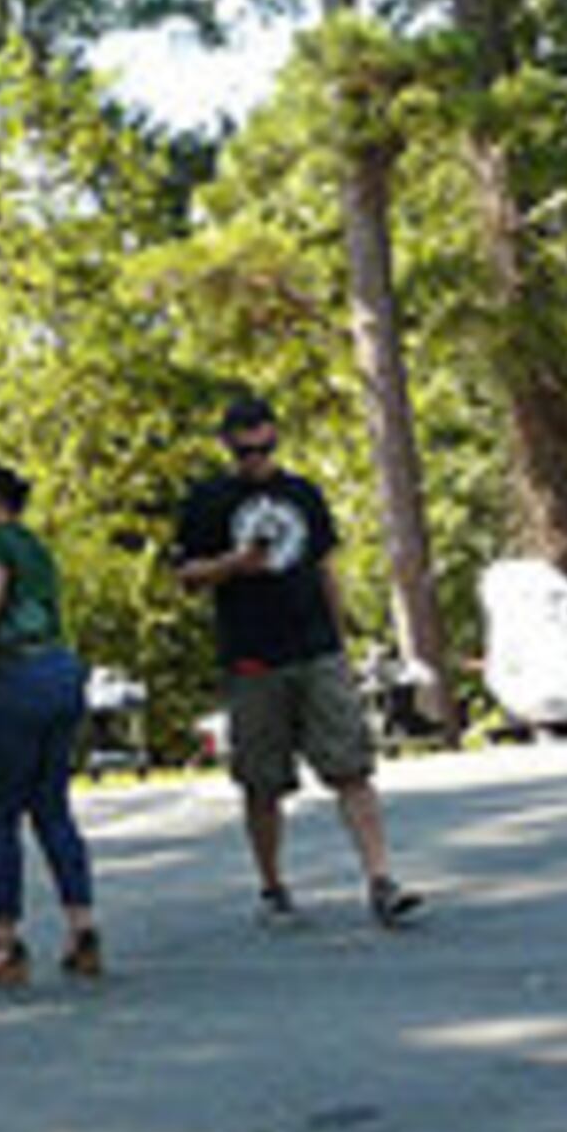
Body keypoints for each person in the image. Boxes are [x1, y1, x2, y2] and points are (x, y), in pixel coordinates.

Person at [174, 391, 426, 930]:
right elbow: (187, 577)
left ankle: (381, 880)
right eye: (245, 452)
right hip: (251, 656)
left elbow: (323, 568)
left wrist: (341, 643)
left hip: (315, 649)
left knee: (351, 767)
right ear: (228, 448)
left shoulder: (303, 494)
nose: (256, 461)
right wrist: (233, 564)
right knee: (262, 782)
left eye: (265, 449)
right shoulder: (208, 501)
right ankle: (272, 887)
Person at [0, 465, 105, 991]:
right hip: (58, 673)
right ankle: (81, 926)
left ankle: (3, 941)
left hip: (8, 681)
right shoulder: (34, 547)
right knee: (52, 808)